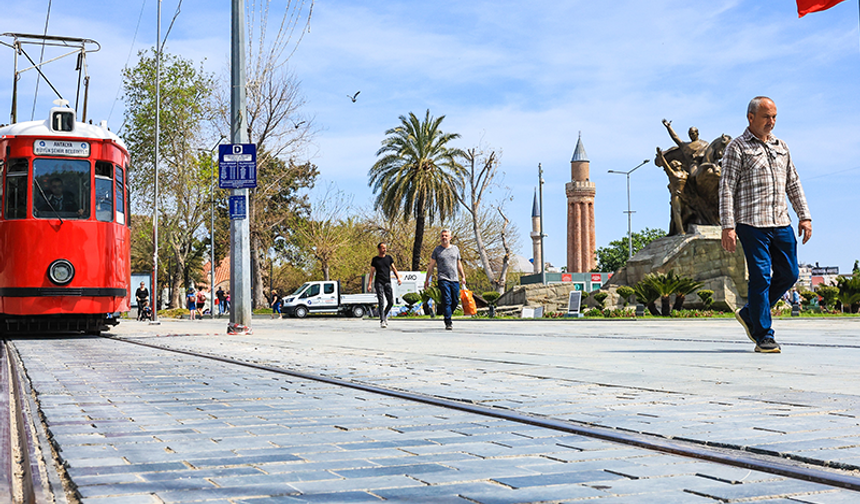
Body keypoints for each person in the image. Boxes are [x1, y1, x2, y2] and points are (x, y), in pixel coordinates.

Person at [720, 96, 812, 353]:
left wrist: (804, 216)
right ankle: (764, 335)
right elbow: (726, 188)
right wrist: (728, 226)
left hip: (781, 222)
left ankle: (750, 314)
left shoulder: (781, 146)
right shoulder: (737, 148)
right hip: (751, 223)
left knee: (790, 273)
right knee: (760, 276)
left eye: (774, 117)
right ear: (751, 118)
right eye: (766, 117)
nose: (771, 122)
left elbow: (793, 182)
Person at [424, 229, 467, 331]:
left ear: (450, 238)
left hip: (454, 279)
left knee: (455, 300)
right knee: (447, 300)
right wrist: (427, 280)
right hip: (443, 279)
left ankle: (448, 314)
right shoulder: (437, 250)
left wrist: (463, 276)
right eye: (442, 236)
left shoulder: (455, 249)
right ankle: (448, 322)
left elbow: (459, 264)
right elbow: (431, 266)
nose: (444, 238)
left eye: (446, 236)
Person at [368, 242, 402, 328]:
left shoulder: (389, 258)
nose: (385, 249)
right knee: (381, 301)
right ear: (379, 249)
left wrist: (398, 278)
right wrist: (369, 284)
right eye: (383, 248)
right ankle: (382, 320)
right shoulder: (375, 260)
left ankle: (384, 315)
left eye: (385, 248)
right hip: (379, 282)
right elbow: (372, 273)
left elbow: (394, 268)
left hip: (387, 281)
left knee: (391, 302)